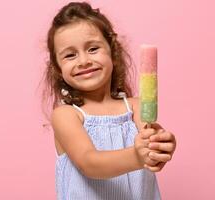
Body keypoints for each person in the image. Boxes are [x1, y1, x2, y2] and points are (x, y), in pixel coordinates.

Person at [41, 2, 176, 199]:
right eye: (70, 55)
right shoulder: (66, 115)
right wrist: (136, 157)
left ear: (112, 52)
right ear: (58, 68)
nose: (84, 61)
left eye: (93, 49)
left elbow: (151, 143)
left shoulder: (137, 107)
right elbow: (89, 163)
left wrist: (162, 145)